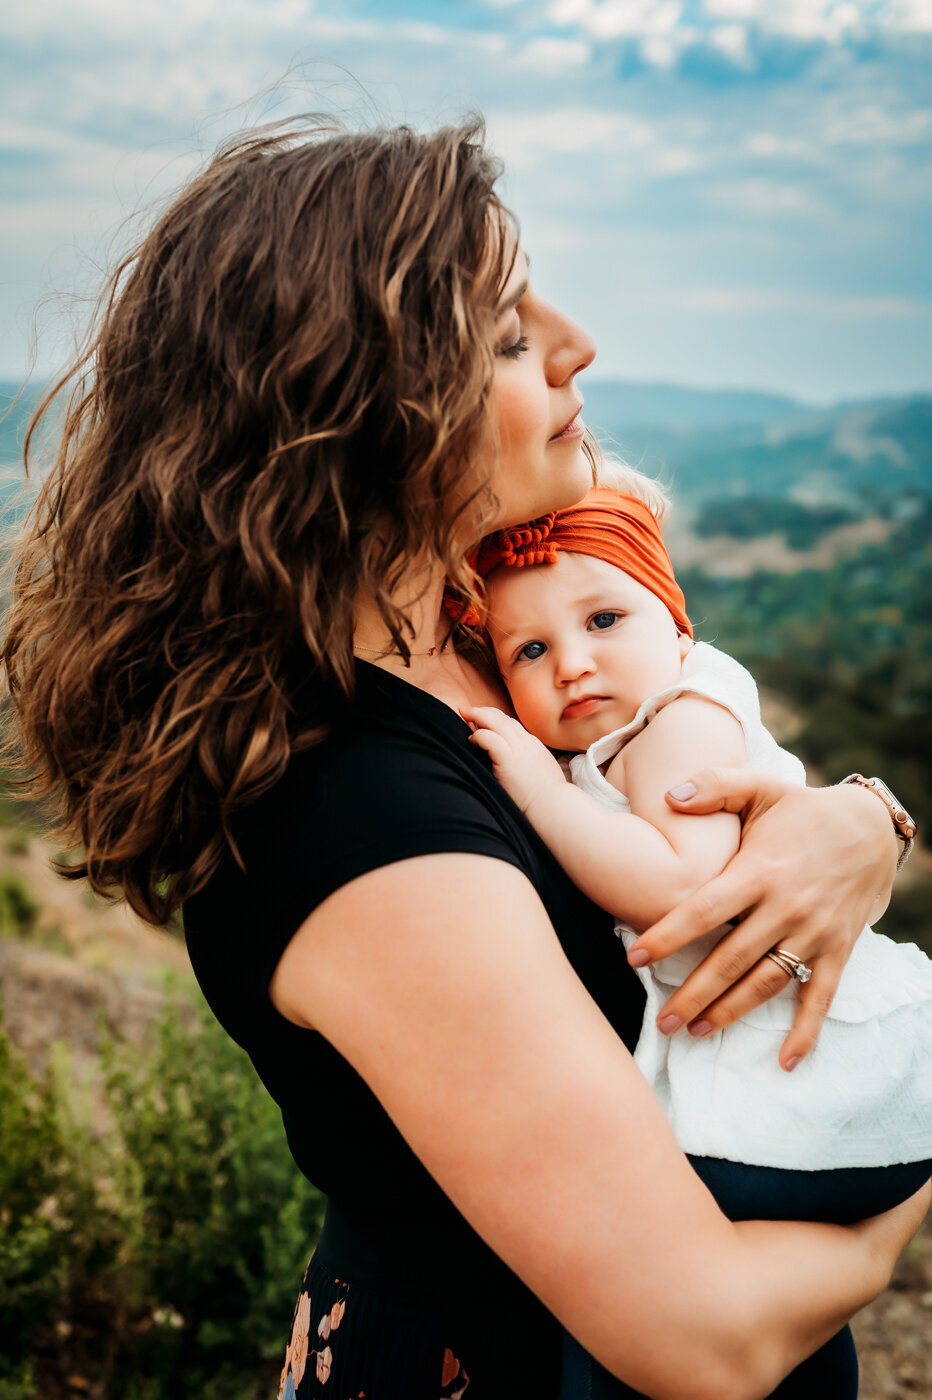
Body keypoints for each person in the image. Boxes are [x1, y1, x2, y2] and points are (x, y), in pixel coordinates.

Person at [1, 117, 927, 1400]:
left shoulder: (494, 643)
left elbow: (708, 786)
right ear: (359, 420)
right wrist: (899, 1183)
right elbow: (701, 1333)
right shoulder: (353, 812)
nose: (574, 343)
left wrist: (859, 827)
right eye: (503, 333)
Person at [463, 471, 932, 1397]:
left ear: (674, 618)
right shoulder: (641, 717)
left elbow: (676, 885)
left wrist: (541, 792)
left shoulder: (680, 722)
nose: (571, 665)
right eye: (527, 651)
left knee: (629, 1305)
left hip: (793, 1094)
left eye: (604, 621)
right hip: (804, 1088)